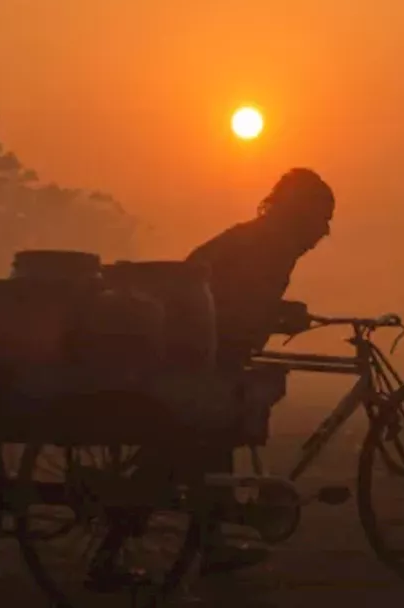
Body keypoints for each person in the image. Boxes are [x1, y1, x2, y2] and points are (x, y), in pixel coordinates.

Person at [85, 168, 334, 590]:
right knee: (183, 449)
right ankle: (117, 555)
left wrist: (274, 312)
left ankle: (213, 542)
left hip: (202, 350)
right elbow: (233, 304)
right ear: (301, 214)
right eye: (322, 217)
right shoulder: (271, 246)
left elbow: (219, 285)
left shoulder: (261, 237)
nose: (325, 230)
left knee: (210, 446)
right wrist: (274, 316)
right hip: (200, 355)